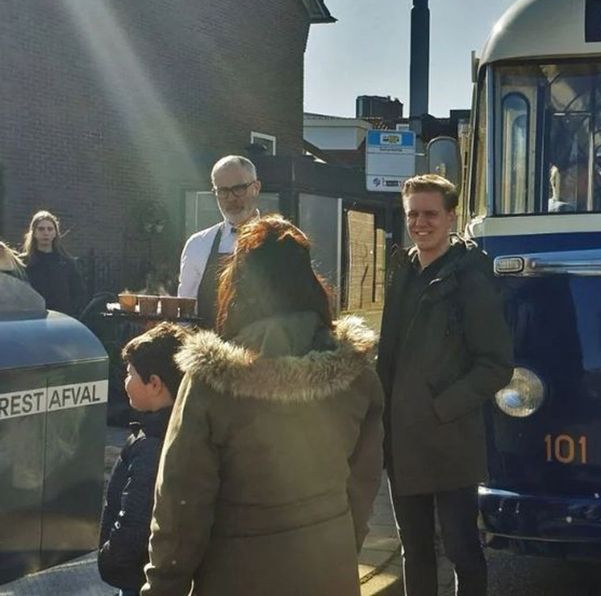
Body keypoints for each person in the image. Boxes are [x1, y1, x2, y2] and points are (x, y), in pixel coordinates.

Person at [143, 215, 384, 596]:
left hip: (237, 574)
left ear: (237, 287)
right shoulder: (356, 375)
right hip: (329, 569)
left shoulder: (211, 382)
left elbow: (181, 502)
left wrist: (163, 586)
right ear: (311, 284)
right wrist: (342, 540)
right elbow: (364, 479)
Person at [377, 174, 513, 596]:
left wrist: (440, 407)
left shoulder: (471, 280)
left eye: (430, 213)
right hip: (400, 441)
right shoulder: (402, 272)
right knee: (414, 550)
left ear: (451, 216)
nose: (421, 223)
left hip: (450, 440)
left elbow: (497, 366)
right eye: (413, 214)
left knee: (461, 549)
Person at [98, 323, 189, 596]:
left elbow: (135, 522)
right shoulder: (177, 431)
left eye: (130, 373)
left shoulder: (151, 444)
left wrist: (109, 558)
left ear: (154, 384)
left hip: (137, 579)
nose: (125, 382)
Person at [178, 155, 262, 327]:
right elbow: (185, 316)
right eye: (222, 191)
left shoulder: (283, 241)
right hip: (210, 351)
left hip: (266, 352)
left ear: (256, 187)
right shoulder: (198, 245)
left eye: (238, 188)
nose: (230, 198)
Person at [21, 210, 86, 316]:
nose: (46, 233)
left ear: (55, 233)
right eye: (41, 229)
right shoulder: (23, 263)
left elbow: (79, 294)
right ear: (34, 233)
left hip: (61, 321)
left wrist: (71, 314)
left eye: (50, 229)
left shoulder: (67, 263)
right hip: (32, 321)